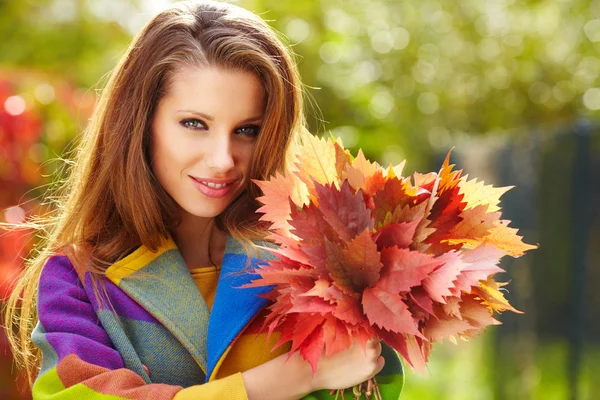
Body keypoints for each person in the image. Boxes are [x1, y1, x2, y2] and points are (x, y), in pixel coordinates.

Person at [4, 1, 404, 399]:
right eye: (194, 124)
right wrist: (295, 376)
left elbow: (370, 385)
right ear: (141, 123)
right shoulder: (76, 279)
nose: (222, 160)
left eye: (247, 130)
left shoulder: (312, 263)